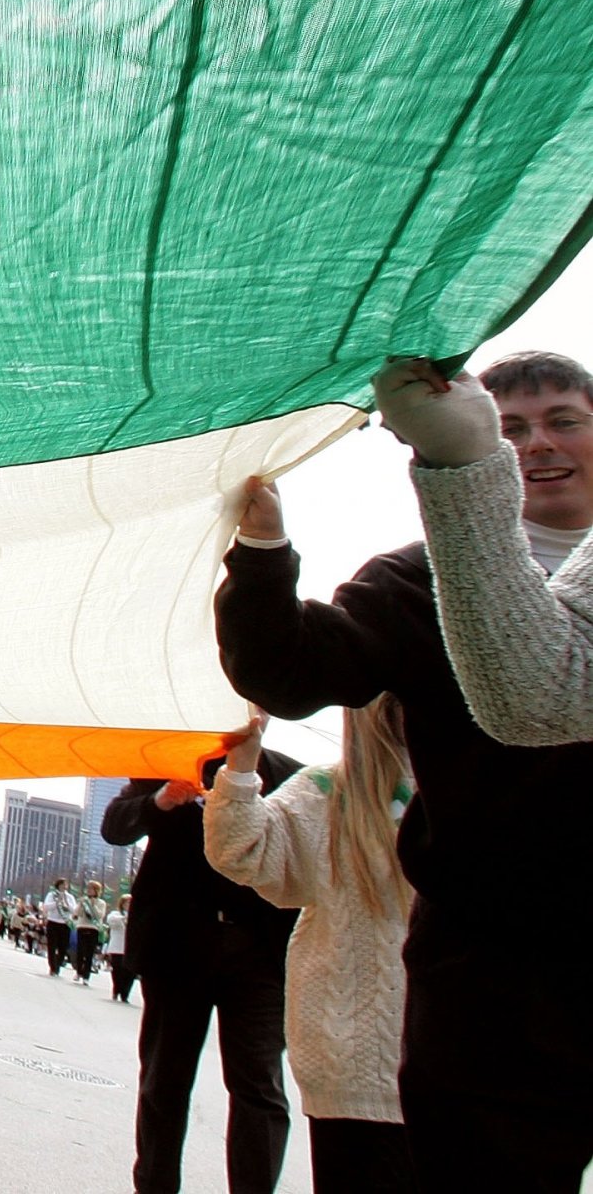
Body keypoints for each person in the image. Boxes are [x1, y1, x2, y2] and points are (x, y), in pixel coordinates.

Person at [219, 350, 593, 1192]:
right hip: (493, 978)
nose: (538, 444)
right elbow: (290, 670)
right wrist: (263, 551)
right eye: (512, 427)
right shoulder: (420, 582)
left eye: (564, 420)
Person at [204, 703, 418, 1194]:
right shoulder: (332, 790)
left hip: (473, 1073)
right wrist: (241, 766)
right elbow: (244, 847)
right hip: (359, 1073)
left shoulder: (490, 782)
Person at [103, 738, 301, 1194]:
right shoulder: (173, 762)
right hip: (178, 948)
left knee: (260, 1088)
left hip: (260, 954)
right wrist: (161, 800)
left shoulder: (290, 776)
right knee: (164, 1081)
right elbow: (115, 826)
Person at [71, 879, 109, 985]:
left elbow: (100, 915)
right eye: (88, 889)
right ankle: (78, 972)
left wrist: (93, 905)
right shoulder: (83, 900)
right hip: (82, 926)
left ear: (96, 890)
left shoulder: (101, 903)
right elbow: (76, 913)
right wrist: (82, 905)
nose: (89, 891)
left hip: (94, 928)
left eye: (92, 889)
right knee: (80, 951)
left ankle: (86, 976)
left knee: (89, 953)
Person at [38, 877, 75, 977]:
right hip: (53, 922)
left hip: (65, 924)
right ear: (58, 885)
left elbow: (74, 910)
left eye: (65, 884)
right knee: (52, 946)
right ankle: (53, 967)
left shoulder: (70, 897)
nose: (64, 886)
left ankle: (58, 964)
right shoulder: (51, 895)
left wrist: (66, 904)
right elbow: (46, 907)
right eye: (62, 884)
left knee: (63, 947)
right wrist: (57, 903)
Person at [104, 894, 136, 1003]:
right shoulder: (116, 914)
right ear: (122, 904)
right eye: (127, 903)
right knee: (117, 970)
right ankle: (116, 989)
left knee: (129, 973)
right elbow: (111, 921)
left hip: (131, 949)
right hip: (117, 948)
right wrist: (125, 917)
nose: (129, 905)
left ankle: (125, 994)